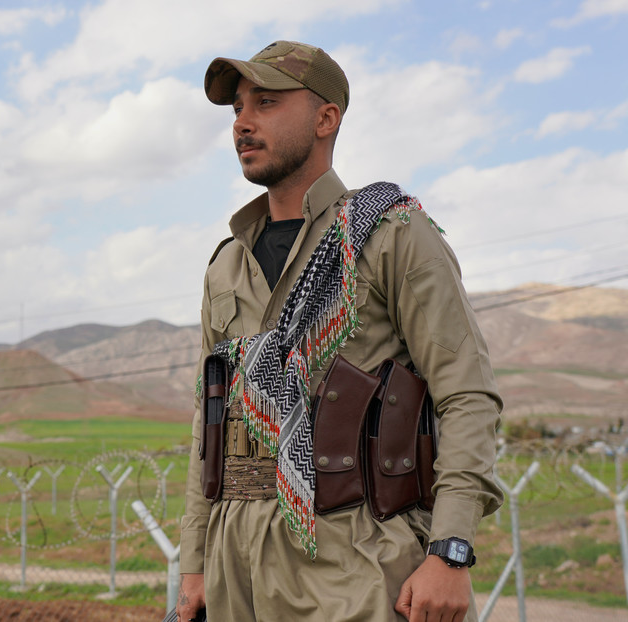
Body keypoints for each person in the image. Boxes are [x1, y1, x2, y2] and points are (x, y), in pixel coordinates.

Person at [177, 41, 502, 621]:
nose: (243, 123)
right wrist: (195, 561)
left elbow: (467, 393)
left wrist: (450, 551)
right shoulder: (226, 265)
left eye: (266, 102)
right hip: (235, 561)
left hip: (358, 557)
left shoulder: (390, 235)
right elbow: (210, 420)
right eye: (238, 108)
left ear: (325, 118)